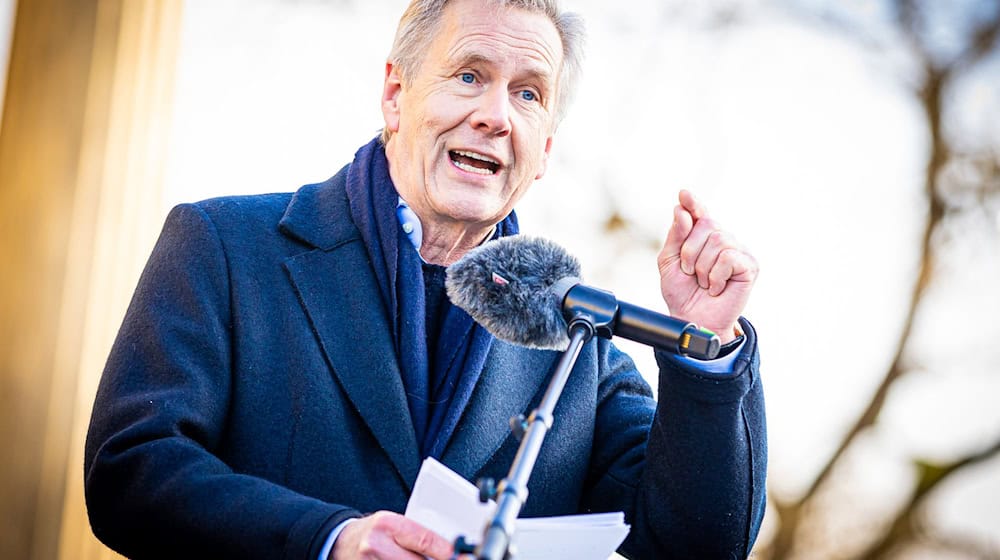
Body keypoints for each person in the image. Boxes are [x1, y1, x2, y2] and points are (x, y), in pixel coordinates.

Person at [84, 0, 767, 558]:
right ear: (395, 94)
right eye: (469, 75)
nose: (496, 115)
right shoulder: (223, 247)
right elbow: (133, 469)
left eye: (528, 93)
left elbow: (694, 544)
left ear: (544, 152)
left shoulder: (577, 340)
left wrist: (705, 345)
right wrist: (330, 540)